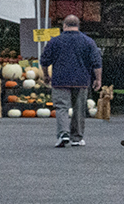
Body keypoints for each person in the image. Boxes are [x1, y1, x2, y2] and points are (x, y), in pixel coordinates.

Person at [39, 14, 102, 148]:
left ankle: (63, 133)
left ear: (64, 25)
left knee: (62, 107)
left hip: (60, 80)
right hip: (81, 80)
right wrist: (98, 79)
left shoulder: (54, 41)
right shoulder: (88, 41)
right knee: (79, 109)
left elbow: (44, 60)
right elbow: (97, 63)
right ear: (78, 25)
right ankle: (77, 137)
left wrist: (46, 75)